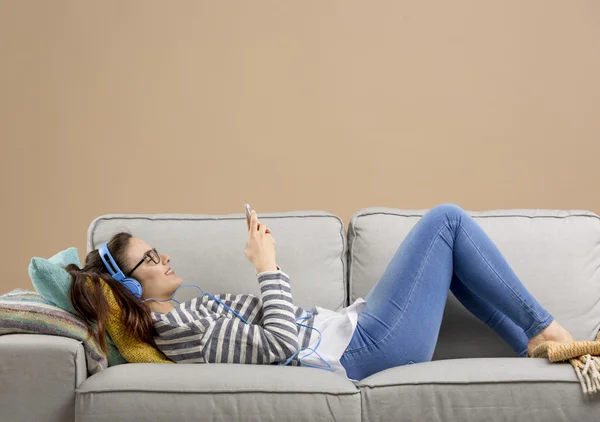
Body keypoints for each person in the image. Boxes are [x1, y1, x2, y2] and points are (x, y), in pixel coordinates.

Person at [66, 203, 575, 383]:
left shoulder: (189, 310)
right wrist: (268, 267)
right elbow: (282, 347)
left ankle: (532, 343)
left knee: (449, 259)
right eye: (151, 259)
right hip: (362, 350)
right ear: (128, 285)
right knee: (446, 221)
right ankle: (547, 331)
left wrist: (269, 273)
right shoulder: (175, 331)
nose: (166, 258)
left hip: (357, 333)